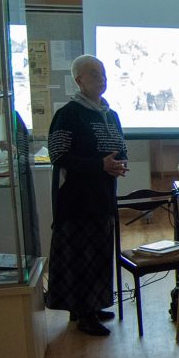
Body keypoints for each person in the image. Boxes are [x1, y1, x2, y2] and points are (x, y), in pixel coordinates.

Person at [47, 55, 128, 336]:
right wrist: (99, 165)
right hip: (77, 201)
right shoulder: (68, 114)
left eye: (104, 73)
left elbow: (120, 148)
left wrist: (120, 164)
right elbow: (58, 154)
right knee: (80, 256)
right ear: (79, 80)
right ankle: (83, 312)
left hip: (103, 197)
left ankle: (93, 305)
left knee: (100, 253)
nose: (101, 78)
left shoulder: (110, 114)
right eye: (94, 74)